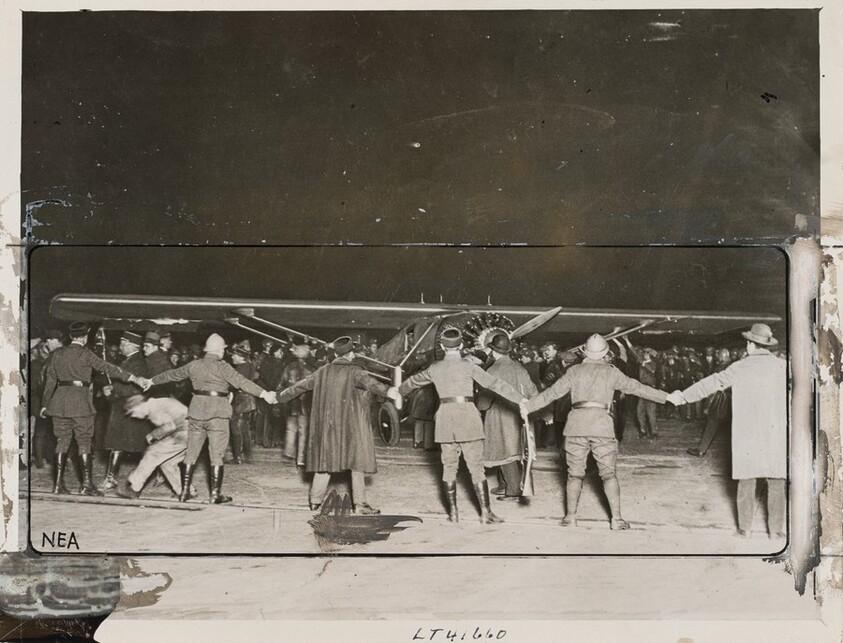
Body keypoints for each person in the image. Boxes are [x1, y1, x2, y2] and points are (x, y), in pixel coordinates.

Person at [521, 333, 670, 530]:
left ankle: (570, 517)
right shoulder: (612, 371)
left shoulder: (574, 371)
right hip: (602, 427)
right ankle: (616, 520)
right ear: (605, 354)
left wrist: (528, 406)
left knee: (574, 475)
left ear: (584, 352)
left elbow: (552, 393)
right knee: (609, 475)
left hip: (576, 427)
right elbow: (637, 387)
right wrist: (668, 397)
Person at [398, 328, 525, 524]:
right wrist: (520, 399)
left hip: (445, 421)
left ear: (442, 346)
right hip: (468, 419)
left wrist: (397, 391)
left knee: (449, 467)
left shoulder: (435, 368)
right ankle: (485, 513)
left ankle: (454, 513)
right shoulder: (469, 366)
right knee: (476, 468)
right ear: (462, 346)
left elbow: (413, 382)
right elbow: (494, 384)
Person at [672, 324, 786, 538]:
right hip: (776, 433)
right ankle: (777, 532)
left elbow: (712, 383)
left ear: (750, 345)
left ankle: (745, 530)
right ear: (768, 346)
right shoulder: (783, 366)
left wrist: (684, 396)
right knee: (777, 482)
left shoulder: (739, 367)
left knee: (746, 480)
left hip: (748, 433)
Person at [140, 333, 278, 503]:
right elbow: (242, 382)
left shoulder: (194, 365)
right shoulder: (223, 366)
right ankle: (215, 495)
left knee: (191, 453)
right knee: (216, 454)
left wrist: (151, 381)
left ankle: (183, 492)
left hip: (197, 412)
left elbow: (172, 374)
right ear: (220, 350)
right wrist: (264, 394)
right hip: (218, 413)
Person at [276, 336, 398, 514]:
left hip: (328, 426)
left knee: (325, 462)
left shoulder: (322, 371)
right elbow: (371, 384)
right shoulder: (356, 371)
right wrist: (389, 391)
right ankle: (360, 505)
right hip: (351, 426)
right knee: (357, 464)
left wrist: (278, 397)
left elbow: (298, 387)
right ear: (350, 354)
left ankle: (315, 501)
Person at [40, 322, 145, 495]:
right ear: (84, 336)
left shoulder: (57, 354)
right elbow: (108, 368)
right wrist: (133, 377)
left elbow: (50, 381)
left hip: (58, 403)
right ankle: (86, 485)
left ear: (71, 336)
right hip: (80, 402)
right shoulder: (86, 354)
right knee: (84, 442)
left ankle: (58, 485)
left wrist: (45, 405)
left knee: (62, 441)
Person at [477, 333, 538, 501]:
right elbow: (533, 390)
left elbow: (485, 399)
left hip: (500, 415)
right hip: (521, 414)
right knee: (518, 451)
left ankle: (512, 491)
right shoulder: (519, 367)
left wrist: (479, 407)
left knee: (505, 452)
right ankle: (505, 484)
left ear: (494, 352)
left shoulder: (493, 369)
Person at [116, 395, 197, 500]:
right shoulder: (158, 403)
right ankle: (186, 491)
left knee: (153, 454)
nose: (134, 416)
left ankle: (134, 489)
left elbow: (170, 426)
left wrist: (153, 435)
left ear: (139, 406)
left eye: (133, 412)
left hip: (183, 433)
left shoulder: (154, 409)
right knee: (167, 463)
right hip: (194, 433)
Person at [99, 330, 150, 492]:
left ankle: (116, 478)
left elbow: (134, 388)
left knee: (137, 445)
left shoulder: (138, 363)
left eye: (123, 344)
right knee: (119, 445)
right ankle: (111, 477)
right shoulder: (128, 361)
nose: (120, 347)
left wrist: (113, 391)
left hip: (130, 409)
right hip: (123, 409)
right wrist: (111, 389)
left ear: (132, 345)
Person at [687, 347, 733, 457]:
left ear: (723, 356)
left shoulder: (720, 367)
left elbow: (712, 384)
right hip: (730, 398)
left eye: (719, 355)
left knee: (712, 423)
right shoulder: (733, 366)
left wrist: (708, 403)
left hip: (720, 398)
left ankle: (701, 450)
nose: (717, 357)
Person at [280, 343, 314, 466]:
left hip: (291, 403)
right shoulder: (311, 369)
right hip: (305, 404)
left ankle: (288, 455)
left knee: (290, 430)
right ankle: (301, 458)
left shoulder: (289, 367)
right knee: (303, 431)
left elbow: (282, 384)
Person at [228, 344, 258, 465]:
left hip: (241, 400)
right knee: (245, 428)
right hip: (249, 399)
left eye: (234, 355)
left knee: (236, 427)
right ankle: (248, 456)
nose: (232, 357)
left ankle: (237, 457)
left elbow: (234, 384)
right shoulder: (250, 365)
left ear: (240, 356)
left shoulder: (240, 368)